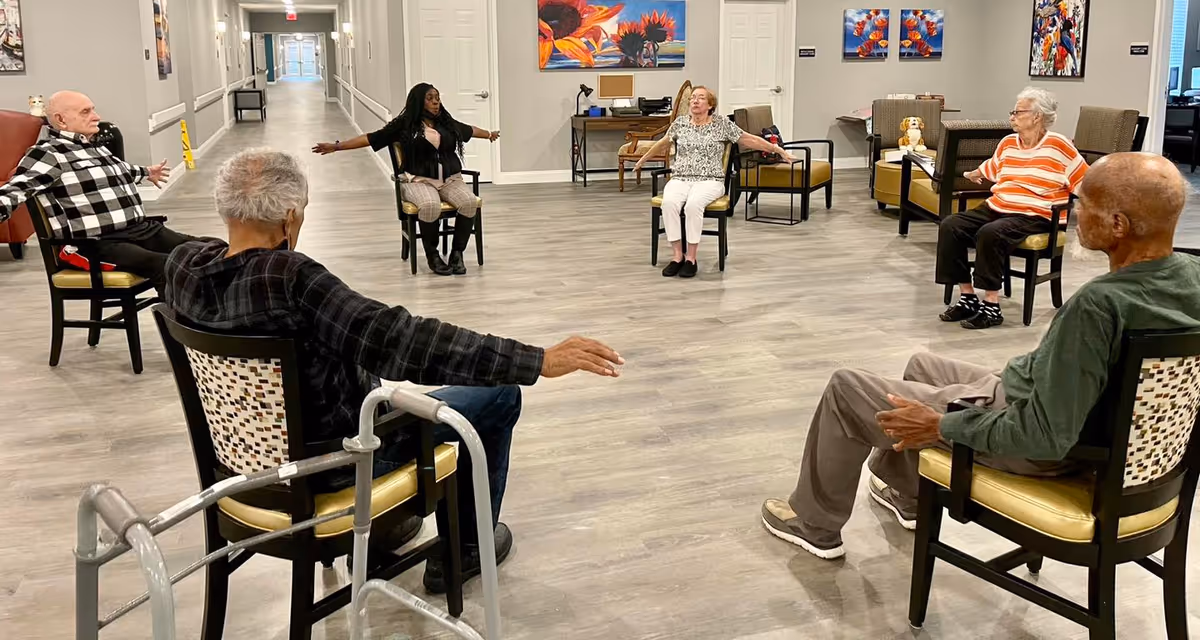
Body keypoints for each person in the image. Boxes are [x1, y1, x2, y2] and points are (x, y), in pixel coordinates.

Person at [164, 148, 623, 593]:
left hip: (247, 470)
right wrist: (535, 360)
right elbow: (401, 340)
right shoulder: (291, 279)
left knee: (366, 381)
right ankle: (464, 550)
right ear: (289, 218)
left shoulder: (185, 267)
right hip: (335, 468)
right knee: (499, 393)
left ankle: (385, 532)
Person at [760, 152, 1200, 560]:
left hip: (1040, 442)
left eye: (1082, 204)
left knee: (846, 387)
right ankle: (909, 495)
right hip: (1072, 415)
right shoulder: (1191, 277)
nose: (1073, 212)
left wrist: (941, 424)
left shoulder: (1099, 306)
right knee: (922, 364)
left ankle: (815, 523)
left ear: (1119, 225)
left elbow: (1045, 435)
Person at [0, 91, 192, 291]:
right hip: (95, 245)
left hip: (140, 232)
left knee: (211, 250)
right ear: (61, 120)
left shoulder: (95, 148)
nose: (96, 116)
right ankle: (180, 321)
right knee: (173, 266)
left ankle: (214, 317)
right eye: (86, 112)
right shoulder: (47, 154)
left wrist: (146, 173)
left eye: (93, 109)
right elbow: (15, 190)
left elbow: (122, 170)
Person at [938, 87, 1088, 329]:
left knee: (990, 233)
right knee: (950, 225)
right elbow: (993, 167)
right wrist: (972, 173)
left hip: (1037, 214)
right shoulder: (1008, 142)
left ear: (1037, 116)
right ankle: (967, 297)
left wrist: (1095, 207)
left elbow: (1084, 182)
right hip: (998, 206)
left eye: (1017, 112)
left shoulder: (1058, 146)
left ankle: (991, 306)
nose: (1012, 116)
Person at [312, 83, 498, 276]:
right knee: (429, 205)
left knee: (469, 202)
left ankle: (457, 254)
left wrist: (489, 134)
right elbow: (371, 138)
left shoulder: (446, 122)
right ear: (419, 101)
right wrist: (337, 146)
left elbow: (469, 130)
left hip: (450, 178)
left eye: (437, 98)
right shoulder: (404, 124)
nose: (436, 102)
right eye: (430, 98)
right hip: (418, 180)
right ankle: (433, 255)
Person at [634, 86, 796, 278]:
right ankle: (677, 256)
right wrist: (642, 160)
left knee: (693, 205)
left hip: (710, 180)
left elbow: (749, 139)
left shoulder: (722, 124)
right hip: (681, 178)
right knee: (669, 203)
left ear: (710, 105)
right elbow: (663, 143)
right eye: (693, 98)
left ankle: (691, 259)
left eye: (700, 98)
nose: (694, 101)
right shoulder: (680, 124)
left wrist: (778, 151)